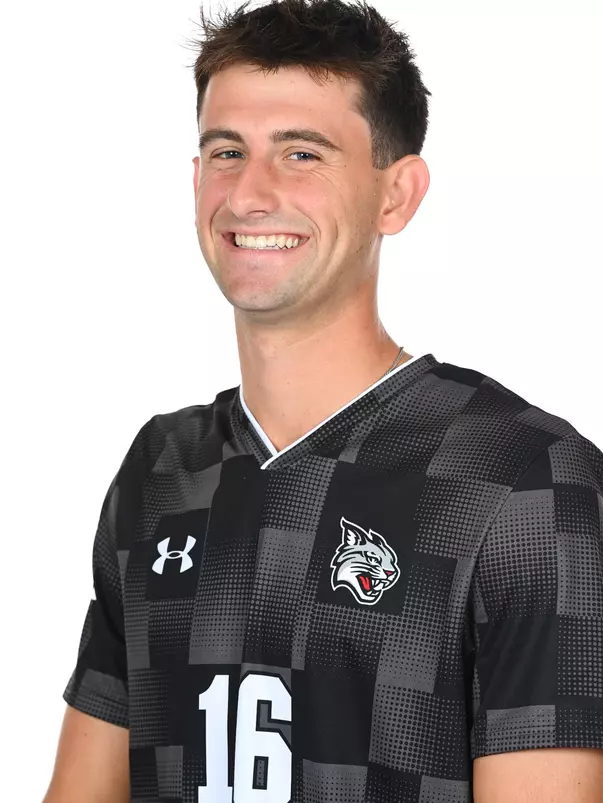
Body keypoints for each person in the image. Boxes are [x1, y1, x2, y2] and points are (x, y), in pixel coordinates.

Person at [43, 1, 603, 801]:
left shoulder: (524, 478)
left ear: (395, 195)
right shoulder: (161, 470)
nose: (248, 193)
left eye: (301, 154)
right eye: (225, 151)